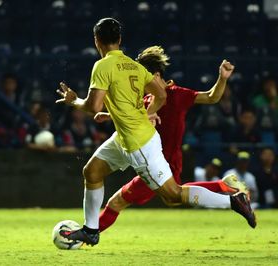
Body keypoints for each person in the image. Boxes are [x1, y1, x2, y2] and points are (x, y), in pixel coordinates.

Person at [55, 18, 255, 246]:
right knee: (91, 172)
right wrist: (147, 113)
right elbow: (160, 94)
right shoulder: (134, 66)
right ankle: (91, 230)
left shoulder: (102, 66)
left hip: (139, 144)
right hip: (123, 137)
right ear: (119, 40)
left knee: (173, 195)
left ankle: (233, 201)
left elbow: (93, 106)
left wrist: (74, 101)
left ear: (96, 40)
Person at [97, 46, 249, 233]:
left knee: (117, 201)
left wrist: (222, 78)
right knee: (174, 197)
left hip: (163, 162)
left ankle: (89, 234)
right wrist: (109, 115)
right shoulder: (146, 99)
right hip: (159, 160)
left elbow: (211, 97)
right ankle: (223, 186)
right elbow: (133, 115)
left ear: (157, 75)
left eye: (144, 76)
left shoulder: (177, 94)